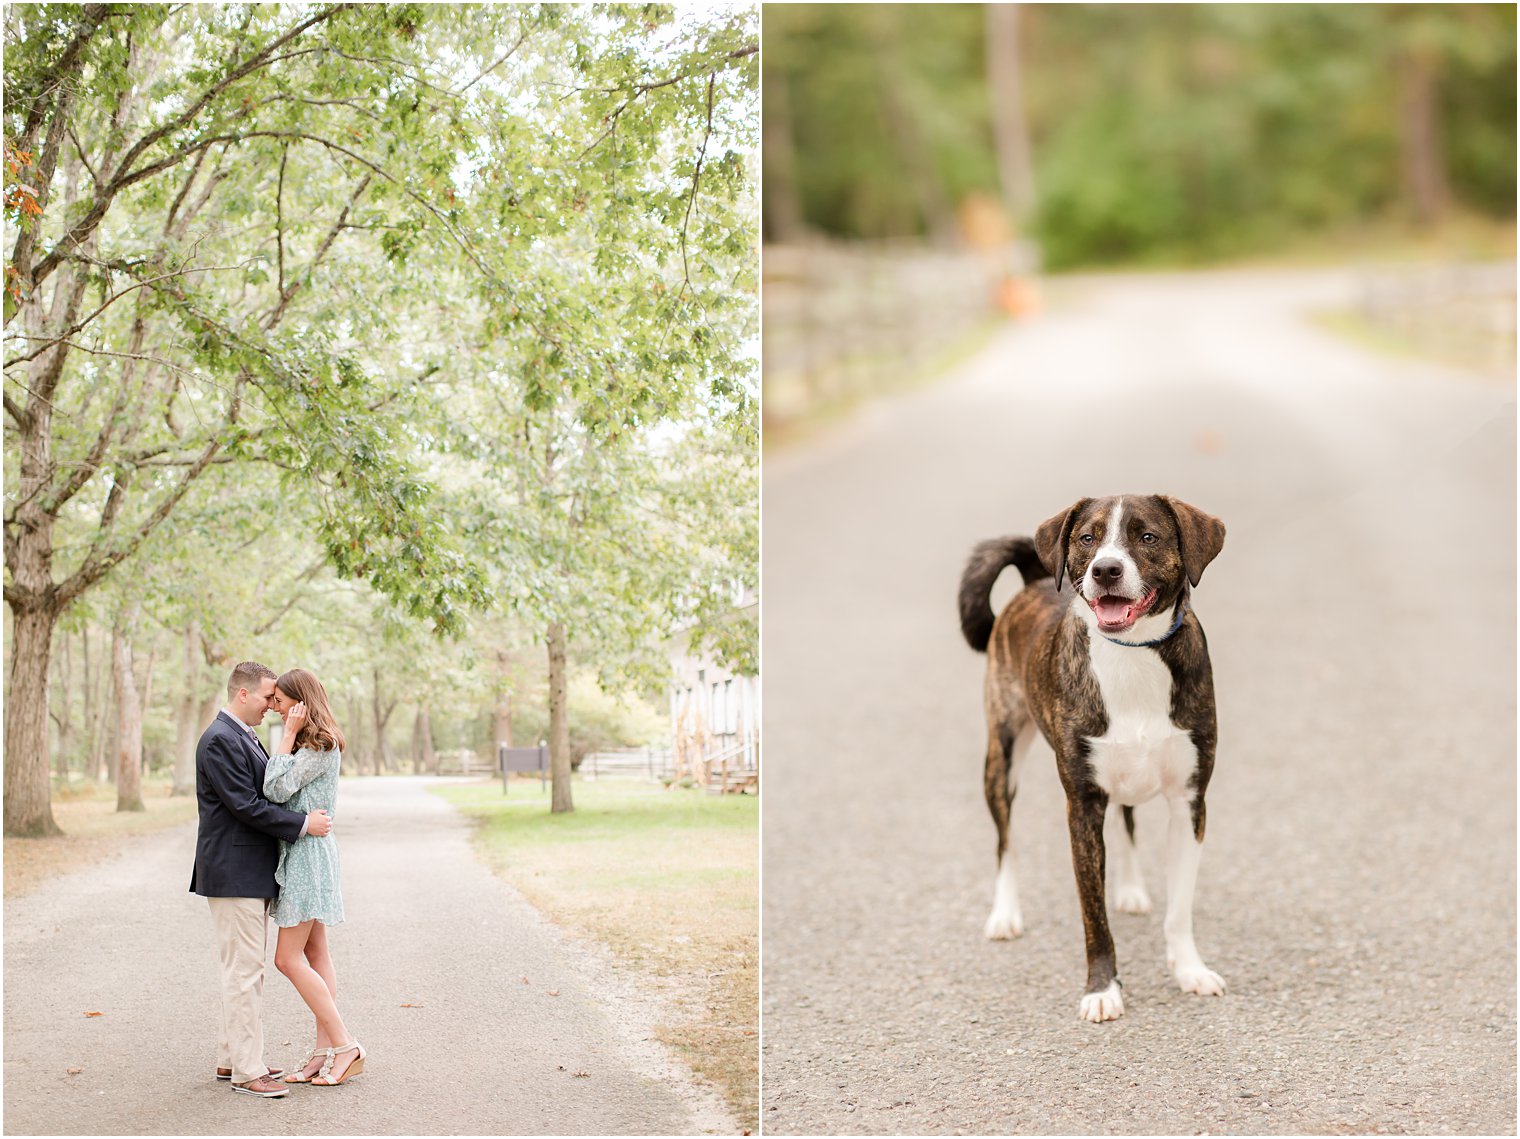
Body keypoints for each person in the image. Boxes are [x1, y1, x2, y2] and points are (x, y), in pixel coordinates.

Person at [190, 661, 333, 1099]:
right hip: (234, 872)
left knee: (243, 969)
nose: (274, 705)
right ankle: (248, 1072)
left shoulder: (243, 736)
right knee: (245, 972)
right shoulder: (219, 740)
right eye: (269, 697)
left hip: (248, 872)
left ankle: (231, 1056)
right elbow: (246, 806)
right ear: (244, 694)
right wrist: (301, 824)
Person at [264, 668, 365, 1086]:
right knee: (316, 953)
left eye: (282, 703)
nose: (276, 709)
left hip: (308, 857)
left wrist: (285, 738)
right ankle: (323, 1052)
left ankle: (345, 1046)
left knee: (286, 958)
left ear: (301, 705)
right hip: (310, 852)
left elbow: (274, 790)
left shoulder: (318, 745)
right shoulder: (317, 744)